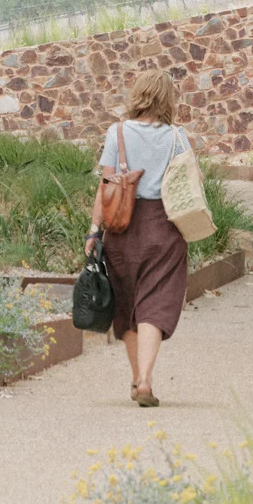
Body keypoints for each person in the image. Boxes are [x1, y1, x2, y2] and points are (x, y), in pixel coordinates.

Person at [91, 69, 194, 407]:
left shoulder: (117, 132)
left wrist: (94, 231)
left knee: (128, 304)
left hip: (122, 228)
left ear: (138, 95)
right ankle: (146, 379)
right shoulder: (178, 137)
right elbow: (191, 182)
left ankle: (137, 379)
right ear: (167, 100)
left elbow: (105, 187)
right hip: (164, 227)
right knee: (154, 302)